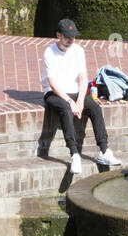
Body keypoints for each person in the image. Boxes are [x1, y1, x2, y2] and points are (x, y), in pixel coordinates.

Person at [40, 17, 123, 176]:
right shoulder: (49, 52)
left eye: (73, 36)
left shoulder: (78, 50)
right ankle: (74, 154)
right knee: (65, 108)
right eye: (67, 36)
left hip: (75, 91)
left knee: (94, 107)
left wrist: (80, 101)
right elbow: (52, 82)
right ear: (58, 35)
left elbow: (84, 78)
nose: (71, 39)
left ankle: (104, 151)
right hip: (53, 92)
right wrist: (71, 102)